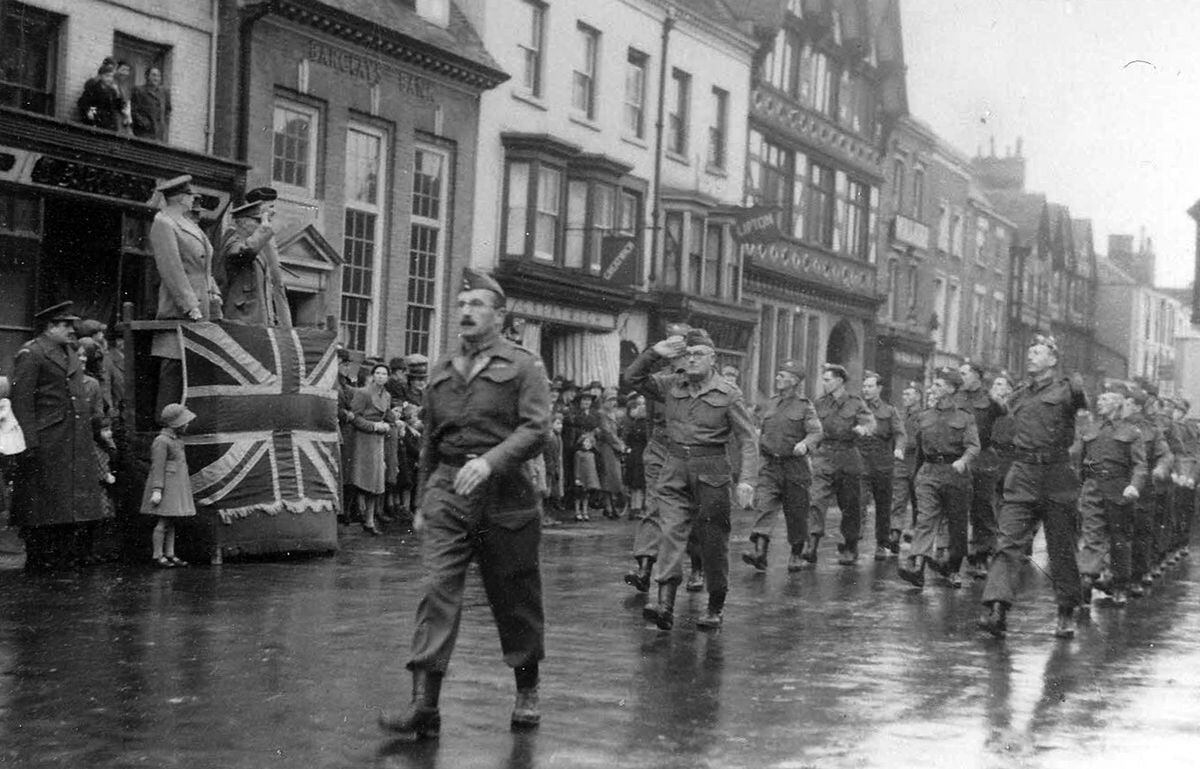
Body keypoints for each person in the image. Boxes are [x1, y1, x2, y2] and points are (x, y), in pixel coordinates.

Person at [379, 268, 550, 737]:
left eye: (477, 305)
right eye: (461, 305)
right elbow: (431, 444)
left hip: (506, 494)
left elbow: (536, 429)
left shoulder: (524, 366)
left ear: (499, 314)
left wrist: (492, 462)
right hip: (448, 491)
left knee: (514, 596)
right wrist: (420, 502)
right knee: (437, 590)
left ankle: (527, 688)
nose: (467, 312)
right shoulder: (442, 369)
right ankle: (424, 706)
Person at [624, 328, 757, 630]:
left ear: (713, 359)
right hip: (674, 466)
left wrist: (747, 479)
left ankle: (715, 605)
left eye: (699, 354)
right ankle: (665, 605)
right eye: (689, 354)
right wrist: (655, 353)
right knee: (670, 531)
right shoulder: (671, 384)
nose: (693, 359)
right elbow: (632, 379)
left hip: (711, 470)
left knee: (713, 540)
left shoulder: (728, 393)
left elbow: (747, 440)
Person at [978, 335, 1089, 639]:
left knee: (1061, 549)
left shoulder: (1067, 390)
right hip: (1023, 473)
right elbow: (1001, 416)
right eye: (1029, 351)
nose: (1030, 356)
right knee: (1007, 542)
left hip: (1056, 476)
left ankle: (1066, 610)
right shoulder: (1020, 393)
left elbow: (1082, 409)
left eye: (1037, 352)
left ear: (1053, 359)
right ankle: (997, 608)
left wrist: (1079, 389)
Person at [10, 302, 110, 571]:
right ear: (49, 327)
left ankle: (63, 554)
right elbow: (22, 401)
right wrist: (28, 441)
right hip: (47, 439)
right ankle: (40, 555)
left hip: (73, 438)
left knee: (69, 502)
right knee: (44, 501)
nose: (71, 329)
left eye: (71, 324)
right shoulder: (32, 354)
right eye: (64, 325)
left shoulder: (69, 352)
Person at [898, 368, 979, 590]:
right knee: (925, 519)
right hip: (929, 473)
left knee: (957, 524)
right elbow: (920, 452)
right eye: (933, 384)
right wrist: (916, 477)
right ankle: (917, 565)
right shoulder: (924, 416)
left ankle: (953, 568)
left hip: (955, 474)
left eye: (939, 385)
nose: (933, 388)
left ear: (952, 389)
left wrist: (963, 461)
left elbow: (973, 446)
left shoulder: (965, 417)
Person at [149, 174, 222, 415]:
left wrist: (214, 293)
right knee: (174, 368)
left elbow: (204, 268)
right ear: (182, 198)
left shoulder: (189, 224)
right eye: (191, 196)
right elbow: (171, 269)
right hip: (181, 311)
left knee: (195, 370)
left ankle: (188, 426)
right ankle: (168, 426)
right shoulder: (164, 222)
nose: (194, 200)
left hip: (203, 308)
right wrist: (189, 305)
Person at [742, 359, 822, 573]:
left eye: (783, 375)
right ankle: (759, 552)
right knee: (764, 506)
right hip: (770, 466)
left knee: (796, 513)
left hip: (795, 468)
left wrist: (805, 444)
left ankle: (796, 554)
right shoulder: (770, 403)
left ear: (794, 381)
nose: (777, 377)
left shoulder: (805, 406)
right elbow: (758, 428)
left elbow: (816, 432)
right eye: (778, 374)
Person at [1075, 382, 1144, 608]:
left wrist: (1134, 485)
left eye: (1105, 399)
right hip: (1093, 488)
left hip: (1119, 489)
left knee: (1119, 539)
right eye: (1100, 399)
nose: (1099, 402)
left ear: (1117, 403)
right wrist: (1077, 489)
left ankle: (1119, 584)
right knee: (1092, 534)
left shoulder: (1131, 432)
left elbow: (1140, 465)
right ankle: (1087, 578)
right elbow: (1079, 463)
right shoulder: (1090, 429)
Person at [807, 364, 875, 566]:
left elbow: (870, 423)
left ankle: (850, 544)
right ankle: (811, 545)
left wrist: (863, 429)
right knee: (816, 500)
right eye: (824, 379)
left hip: (848, 456)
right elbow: (811, 428)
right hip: (824, 455)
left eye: (828, 380)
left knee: (850, 505)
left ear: (839, 381)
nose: (824, 383)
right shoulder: (819, 403)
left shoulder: (855, 403)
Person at [957, 362, 1008, 578]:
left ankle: (981, 555)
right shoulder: (955, 397)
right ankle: (952, 555)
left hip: (983, 458)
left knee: (983, 508)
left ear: (977, 375)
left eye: (964, 373)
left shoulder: (989, 399)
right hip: (959, 457)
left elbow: (1005, 413)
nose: (961, 377)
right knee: (956, 506)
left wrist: (999, 401)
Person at [216, 189, 293, 327]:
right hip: (241, 318)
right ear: (244, 222)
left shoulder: (258, 241)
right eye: (270, 207)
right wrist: (263, 229)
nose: (272, 213)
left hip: (258, 318)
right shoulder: (234, 239)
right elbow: (245, 252)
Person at [140, 403, 197, 567]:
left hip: (176, 486)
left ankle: (170, 553)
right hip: (167, 487)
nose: (186, 425)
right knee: (163, 521)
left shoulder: (177, 440)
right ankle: (157, 555)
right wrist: (157, 489)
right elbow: (157, 467)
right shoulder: (162, 441)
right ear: (174, 424)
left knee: (172, 520)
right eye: (183, 422)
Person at [857, 371, 906, 561]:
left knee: (883, 506)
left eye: (870, 386)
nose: (866, 390)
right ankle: (853, 542)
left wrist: (899, 448)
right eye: (864, 386)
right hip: (861, 462)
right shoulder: (857, 409)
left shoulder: (889, 411)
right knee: (858, 502)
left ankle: (881, 543)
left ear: (879, 388)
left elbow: (900, 433)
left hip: (883, 464)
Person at [349, 362, 394, 535]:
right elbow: (355, 417)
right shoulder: (363, 393)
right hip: (363, 440)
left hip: (378, 441)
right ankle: (357, 515)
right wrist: (374, 426)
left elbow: (388, 415)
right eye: (378, 373)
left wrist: (393, 422)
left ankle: (369, 520)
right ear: (373, 375)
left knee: (376, 482)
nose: (381, 376)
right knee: (362, 478)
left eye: (384, 374)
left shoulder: (387, 395)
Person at [890, 381, 922, 549]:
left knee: (918, 499)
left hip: (917, 461)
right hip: (901, 461)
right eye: (903, 394)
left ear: (918, 396)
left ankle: (915, 528)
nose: (905, 397)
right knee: (899, 497)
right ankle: (895, 531)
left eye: (909, 394)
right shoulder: (899, 415)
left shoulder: (924, 415)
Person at [77, 58, 124, 131]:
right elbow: (87, 104)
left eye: (111, 76)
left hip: (110, 126)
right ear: (101, 76)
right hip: (96, 124)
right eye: (107, 76)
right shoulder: (93, 88)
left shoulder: (112, 91)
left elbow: (118, 108)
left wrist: (118, 94)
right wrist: (92, 116)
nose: (109, 79)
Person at [131, 65, 172, 141]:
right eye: (153, 75)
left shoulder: (164, 92)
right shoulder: (139, 90)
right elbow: (133, 110)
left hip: (159, 134)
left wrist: (163, 124)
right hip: (144, 132)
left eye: (158, 76)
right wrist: (143, 121)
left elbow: (168, 110)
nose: (156, 78)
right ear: (147, 76)